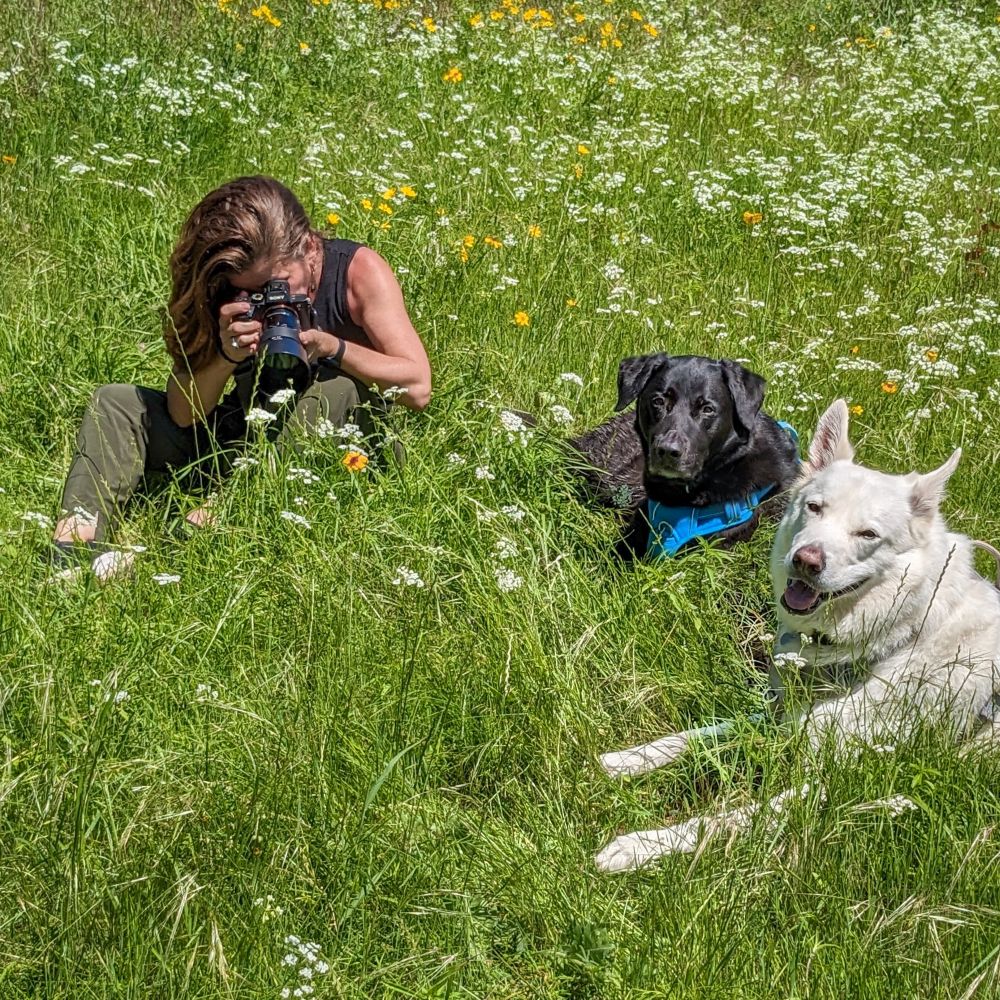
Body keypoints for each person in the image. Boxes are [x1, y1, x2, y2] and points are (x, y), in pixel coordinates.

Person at [51, 175, 431, 568]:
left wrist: (333, 348)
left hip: (336, 447)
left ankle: (193, 538)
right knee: (116, 402)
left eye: (278, 284)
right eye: (253, 290)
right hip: (245, 429)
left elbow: (419, 387)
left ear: (307, 246)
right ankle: (73, 544)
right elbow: (183, 415)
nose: (267, 296)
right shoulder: (227, 289)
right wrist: (225, 355)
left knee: (337, 387)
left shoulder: (357, 272)